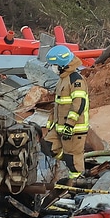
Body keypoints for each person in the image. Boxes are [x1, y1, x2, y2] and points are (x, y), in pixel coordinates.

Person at [43, 45, 90, 179]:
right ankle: (71, 164)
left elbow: (79, 104)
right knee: (47, 147)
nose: (52, 68)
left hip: (74, 128)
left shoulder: (76, 80)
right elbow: (58, 104)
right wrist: (51, 123)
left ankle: (76, 184)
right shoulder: (63, 80)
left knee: (73, 159)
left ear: (61, 65)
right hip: (60, 128)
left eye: (53, 65)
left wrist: (70, 124)